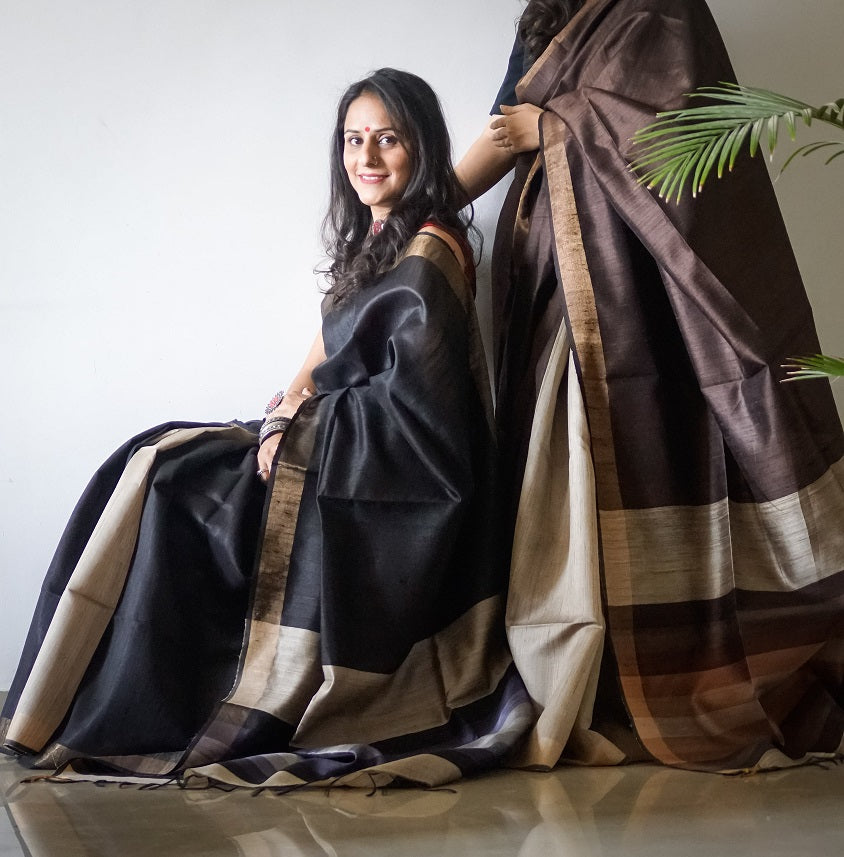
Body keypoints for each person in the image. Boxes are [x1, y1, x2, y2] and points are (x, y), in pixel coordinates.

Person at [0, 68, 533, 790]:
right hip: (332, 442)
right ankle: (89, 708)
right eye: (353, 139)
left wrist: (300, 432)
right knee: (155, 461)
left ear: (424, 148)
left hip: (381, 477)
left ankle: (153, 717)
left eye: (388, 139)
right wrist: (285, 412)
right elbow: (332, 368)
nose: (366, 157)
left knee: (178, 494)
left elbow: (423, 421)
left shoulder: (430, 249)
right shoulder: (381, 239)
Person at [455, 0, 844, 772]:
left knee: (651, 459)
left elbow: (690, 137)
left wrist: (559, 129)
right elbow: (504, 130)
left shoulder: (664, 11)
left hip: (657, 302)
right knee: (563, 484)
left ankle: (656, 681)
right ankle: (582, 679)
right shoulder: (548, 21)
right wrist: (414, 213)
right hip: (563, 286)